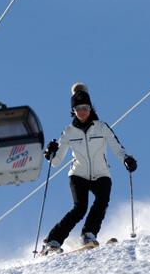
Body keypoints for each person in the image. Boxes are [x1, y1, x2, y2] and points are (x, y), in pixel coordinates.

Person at [40, 83, 137, 255]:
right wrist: (50, 154)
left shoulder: (101, 127)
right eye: (78, 108)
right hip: (79, 174)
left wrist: (127, 159)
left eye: (85, 107)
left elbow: (117, 147)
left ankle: (88, 234)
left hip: (101, 173)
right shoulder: (68, 132)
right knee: (80, 208)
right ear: (73, 111)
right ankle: (52, 241)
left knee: (102, 200)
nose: (82, 111)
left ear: (90, 108)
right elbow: (56, 162)